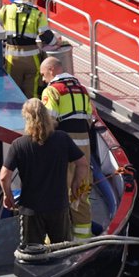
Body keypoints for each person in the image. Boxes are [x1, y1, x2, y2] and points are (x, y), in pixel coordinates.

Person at [0, 99, 86, 247]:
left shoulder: (18, 145)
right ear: (46, 116)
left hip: (31, 209)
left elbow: (4, 177)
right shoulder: (62, 138)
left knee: (33, 255)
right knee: (62, 252)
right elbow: (82, 164)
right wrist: (75, 185)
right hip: (59, 206)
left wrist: (8, 196)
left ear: (26, 119)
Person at [40, 56, 99, 239]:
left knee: (57, 194)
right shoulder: (82, 90)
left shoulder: (51, 92)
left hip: (63, 148)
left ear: (51, 70)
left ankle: (56, 242)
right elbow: (89, 120)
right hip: (84, 148)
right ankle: (83, 242)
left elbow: (48, 123)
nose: (43, 79)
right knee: (80, 195)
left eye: (43, 75)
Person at [0, 0, 54, 98]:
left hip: (12, 59)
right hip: (32, 60)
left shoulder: (7, 9)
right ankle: (32, 114)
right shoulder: (38, 14)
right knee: (32, 93)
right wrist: (56, 42)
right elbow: (47, 36)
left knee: (12, 92)